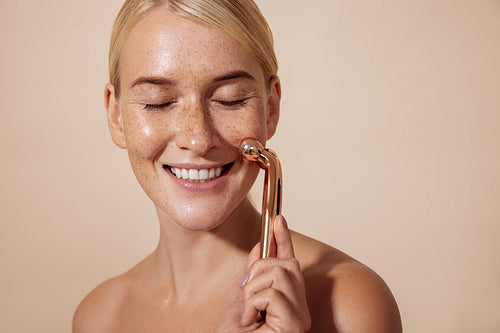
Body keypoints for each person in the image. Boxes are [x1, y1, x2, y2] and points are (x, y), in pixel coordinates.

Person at [73, 0, 402, 331]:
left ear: (270, 109)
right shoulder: (98, 317)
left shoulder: (349, 305)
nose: (198, 138)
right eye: (158, 103)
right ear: (116, 116)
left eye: (231, 99)